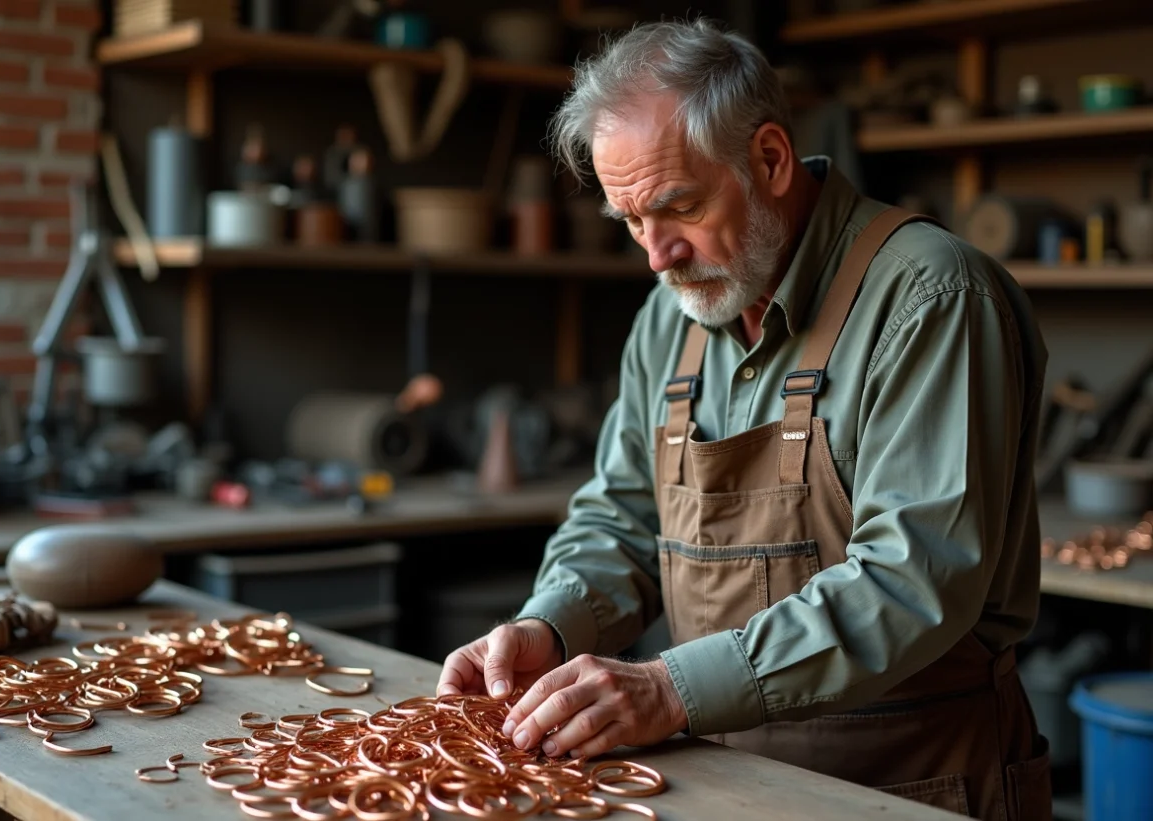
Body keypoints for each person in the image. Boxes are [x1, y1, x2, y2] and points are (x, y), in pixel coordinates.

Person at [438, 18, 1051, 821]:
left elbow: (912, 581)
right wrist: (549, 625)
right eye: (631, 221)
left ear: (769, 158)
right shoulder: (670, 318)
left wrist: (669, 688)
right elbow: (624, 517)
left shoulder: (932, 298)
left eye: (678, 206)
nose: (656, 254)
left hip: (912, 783)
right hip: (720, 785)